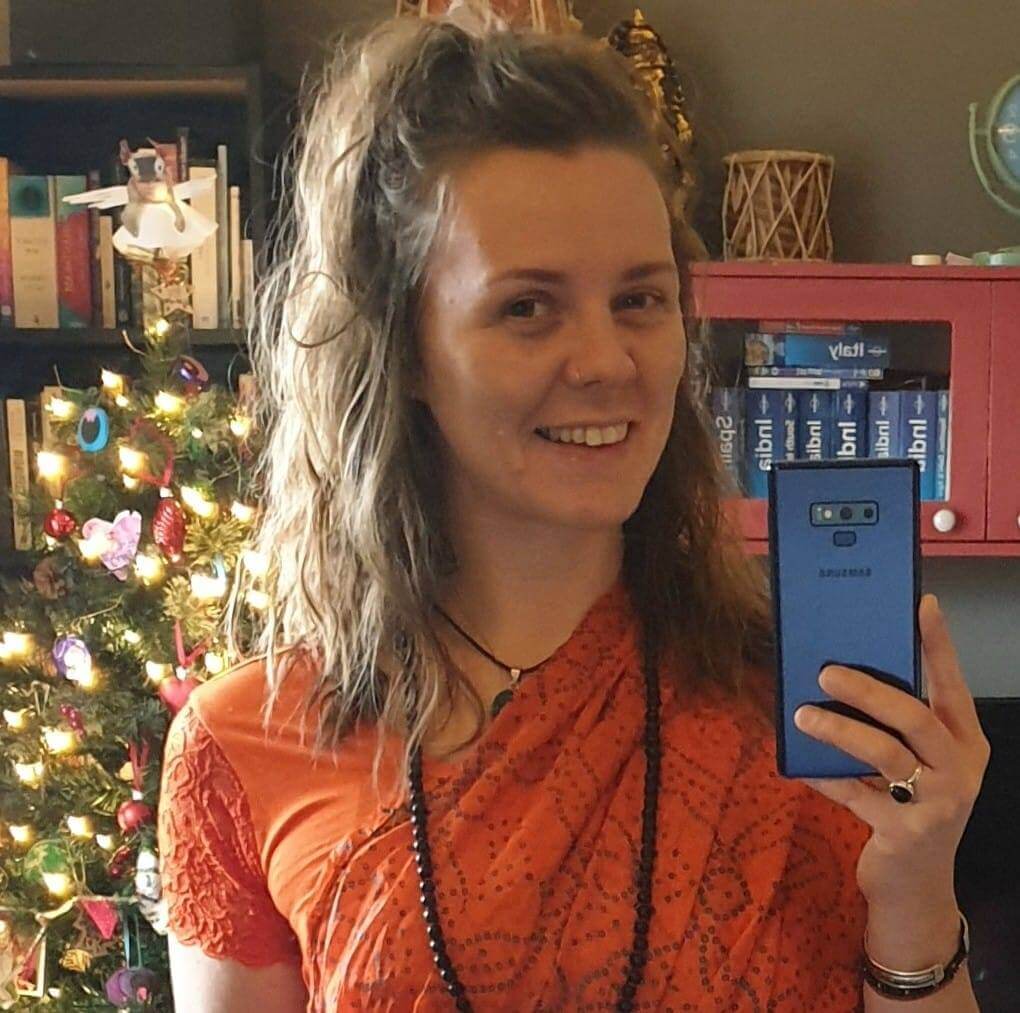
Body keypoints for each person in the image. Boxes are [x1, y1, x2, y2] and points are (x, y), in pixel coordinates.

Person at [157, 3, 990, 1010]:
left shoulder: (807, 713)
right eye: (527, 307)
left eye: (639, 298)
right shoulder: (245, 745)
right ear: (404, 349)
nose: (606, 362)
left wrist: (916, 894)